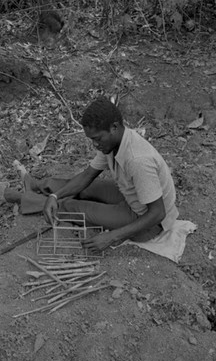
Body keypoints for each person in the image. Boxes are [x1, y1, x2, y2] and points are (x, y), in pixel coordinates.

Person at [21, 97, 178, 253]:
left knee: (74, 207)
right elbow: (88, 175)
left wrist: (112, 237)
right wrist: (55, 196)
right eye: (91, 140)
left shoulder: (138, 161)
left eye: (97, 139)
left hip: (147, 221)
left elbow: (157, 213)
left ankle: (26, 199)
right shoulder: (113, 142)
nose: (95, 144)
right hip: (132, 196)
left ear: (114, 127)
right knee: (83, 189)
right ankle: (38, 187)